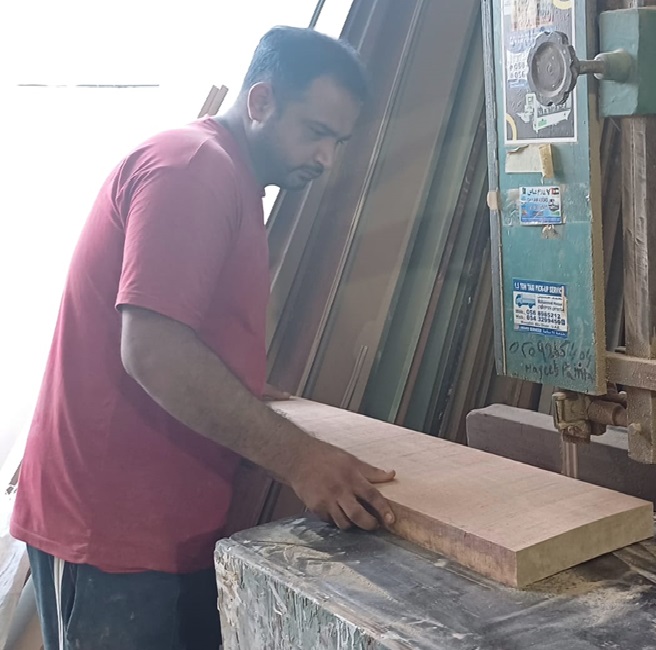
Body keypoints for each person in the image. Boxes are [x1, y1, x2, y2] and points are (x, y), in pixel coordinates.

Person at [11, 26, 397, 650]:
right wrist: (301, 459)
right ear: (261, 100)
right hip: (108, 535)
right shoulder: (193, 169)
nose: (326, 158)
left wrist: (246, 389)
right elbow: (152, 348)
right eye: (316, 132)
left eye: (338, 142)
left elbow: (188, 330)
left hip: (164, 526)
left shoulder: (230, 177)